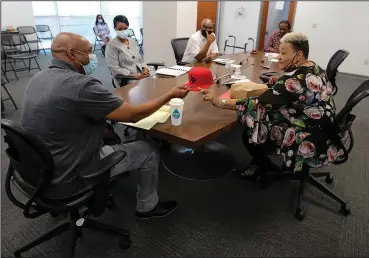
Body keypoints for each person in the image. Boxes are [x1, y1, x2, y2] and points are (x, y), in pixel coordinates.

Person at [20, 32, 189, 219]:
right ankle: (147, 207)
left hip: (38, 169)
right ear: (71, 54)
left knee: (109, 134)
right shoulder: (80, 85)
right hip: (71, 175)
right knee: (148, 150)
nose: (92, 57)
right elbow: (134, 115)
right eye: (88, 53)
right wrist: (170, 95)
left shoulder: (38, 78)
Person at [200, 32, 342, 177]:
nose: (278, 56)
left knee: (251, 124)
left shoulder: (294, 82)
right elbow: (294, 89)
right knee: (264, 112)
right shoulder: (314, 68)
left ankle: (264, 165)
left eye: (283, 53)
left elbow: (256, 103)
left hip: (311, 136)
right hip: (325, 126)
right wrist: (279, 81)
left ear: (298, 55)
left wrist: (218, 102)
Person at [105, 15, 148, 85]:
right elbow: (114, 68)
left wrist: (145, 68)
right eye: (120, 29)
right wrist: (133, 76)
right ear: (115, 28)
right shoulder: (111, 46)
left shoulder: (132, 41)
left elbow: (140, 59)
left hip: (140, 75)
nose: (123, 31)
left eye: (125, 28)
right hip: (126, 79)